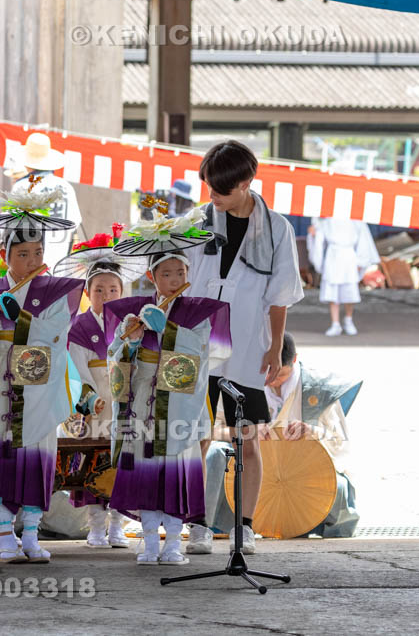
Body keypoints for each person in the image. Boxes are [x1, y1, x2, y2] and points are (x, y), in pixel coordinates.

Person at [185, 140, 304, 555]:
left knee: (248, 437)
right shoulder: (196, 220)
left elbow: (280, 294)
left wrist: (272, 348)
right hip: (197, 339)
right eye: (209, 189)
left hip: (247, 342)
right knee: (194, 434)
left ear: (247, 182)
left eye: (220, 190)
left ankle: (245, 527)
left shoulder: (276, 228)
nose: (212, 198)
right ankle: (196, 523)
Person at [0, 184, 84, 563]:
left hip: (39, 388)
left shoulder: (56, 292)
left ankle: (30, 535)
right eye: (24, 253)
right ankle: (5, 538)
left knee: (37, 457)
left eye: (38, 252)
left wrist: (19, 315)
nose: (33, 260)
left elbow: (57, 335)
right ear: (4, 255)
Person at [103, 246, 231, 566]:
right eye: (166, 274)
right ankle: (148, 544)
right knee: (147, 476)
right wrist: (130, 342)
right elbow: (116, 361)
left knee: (174, 477)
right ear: (151, 277)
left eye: (181, 273)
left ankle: (173, 544)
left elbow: (207, 355)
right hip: (144, 408)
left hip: (179, 407)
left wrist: (169, 331)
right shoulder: (135, 313)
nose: (174, 280)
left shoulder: (197, 314)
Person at [204, 332, 360, 538]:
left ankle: (310, 526)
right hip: (250, 463)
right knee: (214, 453)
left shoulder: (318, 388)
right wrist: (244, 432)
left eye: (281, 374)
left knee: (339, 486)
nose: (272, 381)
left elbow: (339, 442)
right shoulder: (243, 382)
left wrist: (311, 431)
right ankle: (210, 525)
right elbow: (212, 429)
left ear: (294, 360)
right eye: (268, 373)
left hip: (301, 471)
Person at [55, 233, 143, 548]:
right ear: (88, 293)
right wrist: (90, 399)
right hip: (96, 410)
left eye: (113, 289)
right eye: (99, 289)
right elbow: (75, 371)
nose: (106, 295)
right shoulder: (79, 327)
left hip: (124, 405)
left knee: (121, 463)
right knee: (94, 465)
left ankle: (118, 524)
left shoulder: (133, 325)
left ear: (122, 292)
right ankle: (95, 527)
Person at [10, 132, 82, 269]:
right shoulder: (66, 187)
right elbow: (74, 225)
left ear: (27, 162)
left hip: (28, 266)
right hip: (60, 266)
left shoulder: (21, 187)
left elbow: (10, 227)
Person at [308, 218, 379, 336]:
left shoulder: (355, 216)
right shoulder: (327, 215)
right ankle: (335, 323)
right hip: (333, 255)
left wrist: (361, 261)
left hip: (349, 257)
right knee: (332, 289)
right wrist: (314, 233)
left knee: (349, 290)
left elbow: (363, 238)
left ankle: (348, 319)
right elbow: (319, 231)